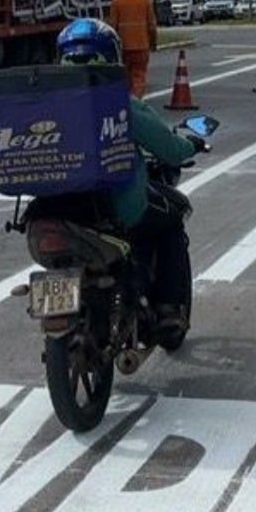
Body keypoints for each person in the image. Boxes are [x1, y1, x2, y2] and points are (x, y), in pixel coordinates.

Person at [56, 17, 201, 333]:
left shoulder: (44, 106)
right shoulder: (119, 105)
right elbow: (169, 149)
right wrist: (191, 144)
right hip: (115, 211)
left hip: (54, 211)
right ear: (111, 59)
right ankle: (167, 309)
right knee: (172, 219)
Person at [107, 0, 157, 98]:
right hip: (141, 45)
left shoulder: (117, 0)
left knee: (124, 76)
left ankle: (124, 100)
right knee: (139, 76)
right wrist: (153, 42)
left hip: (123, 47)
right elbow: (151, 25)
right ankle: (136, 102)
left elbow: (112, 26)